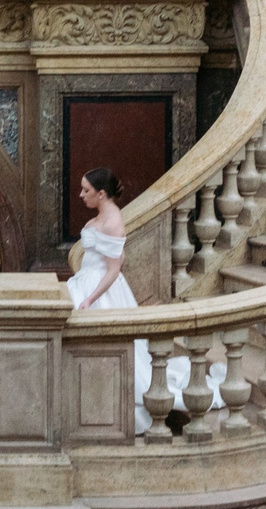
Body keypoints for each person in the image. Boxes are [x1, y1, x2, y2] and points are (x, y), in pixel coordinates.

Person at [67, 167, 221, 431]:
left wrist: (90, 299)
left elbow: (114, 270)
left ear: (101, 194)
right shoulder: (103, 216)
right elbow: (120, 255)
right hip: (86, 280)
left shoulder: (113, 222)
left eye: (86, 190)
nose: (81, 195)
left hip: (100, 290)